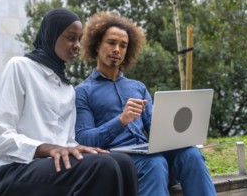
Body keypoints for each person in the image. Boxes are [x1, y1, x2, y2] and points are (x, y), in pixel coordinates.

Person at [0, 8, 138, 196]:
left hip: (53, 167)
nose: (77, 45)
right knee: (103, 166)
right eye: (70, 37)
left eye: (79, 39)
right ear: (52, 35)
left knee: (124, 163)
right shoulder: (20, 67)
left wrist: (76, 148)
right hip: (14, 170)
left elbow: (65, 142)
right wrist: (47, 149)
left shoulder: (67, 88)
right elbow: (0, 136)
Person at [75, 11, 217, 196]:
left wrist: (182, 135)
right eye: (111, 42)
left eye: (123, 45)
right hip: (118, 164)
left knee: (191, 154)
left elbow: (155, 129)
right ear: (96, 46)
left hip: (150, 156)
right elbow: (84, 139)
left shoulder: (138, 88)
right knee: (155, 162)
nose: (117, 49)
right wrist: (121, 121)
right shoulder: (82, 92)